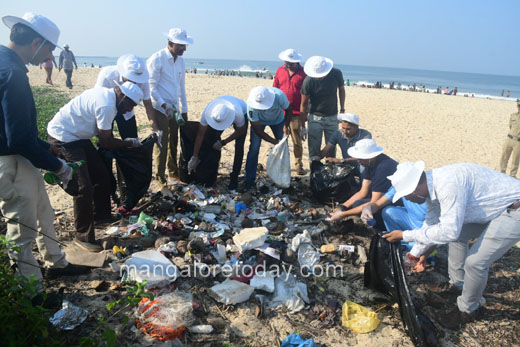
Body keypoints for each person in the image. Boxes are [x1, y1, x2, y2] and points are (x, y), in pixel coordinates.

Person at [0, 12, 88, 283]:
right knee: (22, 229)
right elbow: (17, 139)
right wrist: (59, 166)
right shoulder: (12, 73)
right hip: (12, 160)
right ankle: (31, 293)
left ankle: (56, 263)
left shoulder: (6, 63)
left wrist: (44, 148)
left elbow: (13, 128)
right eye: (50, 48)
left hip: (21, 155)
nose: (50, 55)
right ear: (36, 42)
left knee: (43, 213)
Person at [382, 162, 520, 329]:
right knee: (459, 236)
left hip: (514, 208)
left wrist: (405, 235)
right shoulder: (430, 188)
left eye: (406, 196)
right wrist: (413, 256)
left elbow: (449, 232)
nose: (407, 200)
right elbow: (431, 224)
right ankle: (459, 284)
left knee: (475, 262)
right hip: (492, 208)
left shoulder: (448, 185)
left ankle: (468, 310)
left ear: (416, 189)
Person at [47, 82, 144, 252]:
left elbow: (104, 135)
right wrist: (129, 143)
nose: (130, 109)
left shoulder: (110, 98)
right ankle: (82, 237)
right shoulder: (106, 105)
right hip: (63, 137)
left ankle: (101, 215)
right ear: (122, 96)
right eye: (130, 104)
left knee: (101, 175)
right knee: (82, 186)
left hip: (79, 137)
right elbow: (106, 142)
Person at [147, 28, 193, 184]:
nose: (184, 48)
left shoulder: (181, 61)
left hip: (174, 107)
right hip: (158, 106)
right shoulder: (157, 59)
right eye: (181, 45)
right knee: (162, 142)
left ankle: (173, 174)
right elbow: (151, 87)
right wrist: (164, 105)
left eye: (184, 45)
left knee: (174, 140)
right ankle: (160, 179)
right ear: (170, 43)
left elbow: (182, 88)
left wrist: (184, 110)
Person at [330, 139, 398, 230]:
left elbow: (374, 203)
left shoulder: (383, 168)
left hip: (395, 202)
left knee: (363, 207)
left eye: (361, 158)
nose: (358, 161)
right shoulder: (369, 164)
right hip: (380, 197)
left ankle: (381, 227)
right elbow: (363, 192)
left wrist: (342, 215)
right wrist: (342, 207)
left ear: (371, 157)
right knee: (357, 203)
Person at [187, 96, 247, 189]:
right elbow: (200, 135)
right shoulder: (208, 113)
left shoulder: (238, 113)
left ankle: (234, 177)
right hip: (222, 111)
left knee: (239, 147)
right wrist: (195, 156)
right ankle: (210, 172)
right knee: (211, 139)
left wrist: (223, 142)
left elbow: (241, 131)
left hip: (242, 110)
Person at [95, 54, 159, 139]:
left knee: (132, 141)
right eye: (131, 79)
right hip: (106, 110)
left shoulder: (143, 80)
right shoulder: (107, 74)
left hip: (127, 112)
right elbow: (97, 98)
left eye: (136, 80)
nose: (134, 82)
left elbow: (148, 105)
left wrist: (154, 127)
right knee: (106, 141)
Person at [244, 86, 292, 191]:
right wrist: (275, 142)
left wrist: (286, 125)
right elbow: (258, 130)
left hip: (278, 120)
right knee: (254, 149)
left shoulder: (279, 96)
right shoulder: (251, 106)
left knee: (284, 149)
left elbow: (289, 110)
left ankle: (284, 178)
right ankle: (249, 180)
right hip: (259, 123)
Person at [301, 56, 345, 158]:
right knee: (314, 148)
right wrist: (302, 126)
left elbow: (341, 90)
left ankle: (330, 170)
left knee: (331, 148)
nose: (319, 77)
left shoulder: (336, 73)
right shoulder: (308, 81)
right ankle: (314, 170)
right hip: (314, 117)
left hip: (332, 116)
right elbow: (303, 104)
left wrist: (342, 110)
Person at [273, 49, 307, 175]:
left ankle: (298, 164)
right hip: (280, 112)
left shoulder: (304, 74)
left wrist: (305, 116)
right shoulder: (280, 70)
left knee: (297, 140)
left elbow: (307, 96)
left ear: (297, 61)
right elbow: (275, 88)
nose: (288, 64)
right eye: (287, 62)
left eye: (291, 63)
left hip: (296, 112)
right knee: (281, 139)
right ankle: (282, 164)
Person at [499, 102, 520, 178]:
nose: (519, 107)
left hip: (518, 142)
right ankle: (502, 173)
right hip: (509, 139)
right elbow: (510, 127)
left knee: (515, 160)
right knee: (504, 157)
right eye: (518, 106)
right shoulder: (513, 115)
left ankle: (512, 176)